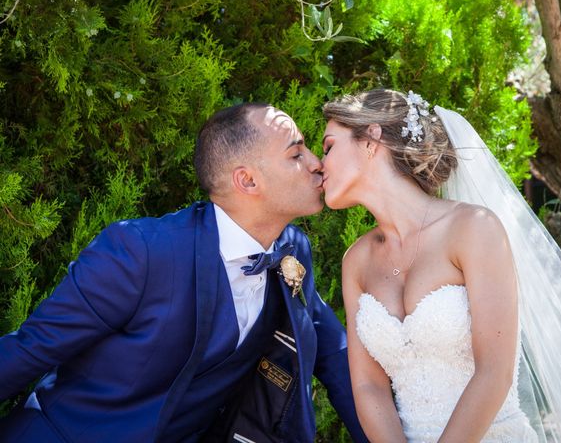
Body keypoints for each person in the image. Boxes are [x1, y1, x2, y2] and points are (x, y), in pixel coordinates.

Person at [0, 103, 367, 443]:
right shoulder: (142, 251)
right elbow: (30, 348)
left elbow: (333, 355)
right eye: (296, 153)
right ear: (248, 181)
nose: (317, 163)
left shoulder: (292, 252)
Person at [320, 88, 561, 442]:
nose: (320, 165)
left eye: (329, 146)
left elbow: (494, 372)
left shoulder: (473, 228)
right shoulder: (357, 261)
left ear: (371, 140)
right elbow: (368, 386)